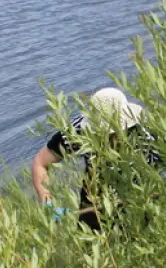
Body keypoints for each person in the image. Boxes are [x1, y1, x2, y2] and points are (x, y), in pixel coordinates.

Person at [30, 87, 158, 231]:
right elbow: (40, 163)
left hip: (142, 201)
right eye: (102, 133)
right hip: (93, 204)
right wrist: (48, 205)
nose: (108, 137)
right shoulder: (79, 131)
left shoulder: (146, 132)